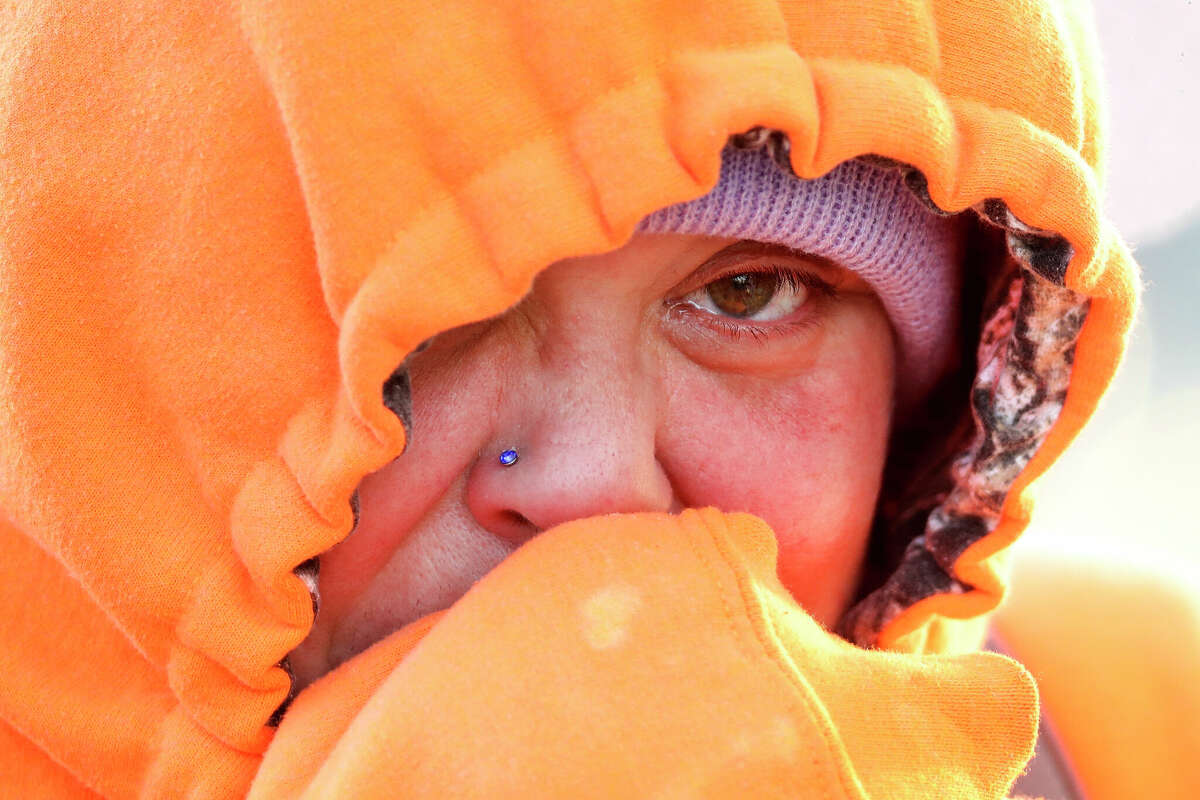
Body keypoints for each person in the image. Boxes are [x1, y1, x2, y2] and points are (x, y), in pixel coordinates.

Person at [0, 1, 1194, 799]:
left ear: (932, 418)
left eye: (748, 294)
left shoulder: (1132, 722)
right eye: (425, 337)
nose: (600, 478)